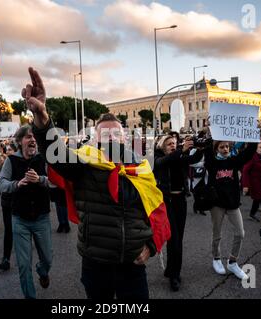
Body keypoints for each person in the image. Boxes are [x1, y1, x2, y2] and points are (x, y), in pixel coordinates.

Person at [23, 67, 170, 299]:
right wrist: (42, 117)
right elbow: (56, 155)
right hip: (96, 264)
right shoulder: (84, 163)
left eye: (116, 134)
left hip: (132, 265)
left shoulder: (141, 170)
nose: (111, 138)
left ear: (124, 138)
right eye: (104, 134)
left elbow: (157, 211)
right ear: (94, 140)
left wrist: (151, 246)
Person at [0, 126, 52, 298]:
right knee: (23, 265)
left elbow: (56, 182)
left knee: (48, 260)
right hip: (20, 219)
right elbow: (1, 183)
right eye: (29, 137)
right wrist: (16, 184)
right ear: (20, 142)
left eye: (34, 137)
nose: (33, 140)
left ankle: (42, 271)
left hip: (42, 217)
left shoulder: (43, 158)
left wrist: (40, 179)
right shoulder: (11, 160)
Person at [153, 134, 203, 291]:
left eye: (174, 143)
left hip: (180, 201)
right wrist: (182, 149)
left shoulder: (180, 156)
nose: (173, 146)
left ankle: (171, 269)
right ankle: (174, 275)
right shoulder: (158, 158)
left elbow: (193, 160)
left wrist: (200, 149)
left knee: (177, 238)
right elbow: (165, 161)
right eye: (169, 144)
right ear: (162, 146)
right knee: (173, 238)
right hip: (166, 202)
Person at [203, 138, 256, 280]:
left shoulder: (234, 161)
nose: (225, 149)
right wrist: (210, 132)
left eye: (227, 146)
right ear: (216, 149)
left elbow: (249, 153)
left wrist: (254, 134)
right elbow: (207, 150)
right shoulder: (212, 162)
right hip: (217, 204)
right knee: (217, 234)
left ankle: (232, 261)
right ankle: (216, 258)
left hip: (232, 204)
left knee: (240, 233)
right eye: (222, 147)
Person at [0, 143, 18, 272]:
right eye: (7, 150)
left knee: (22, 229)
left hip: (19, 201)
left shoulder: (20, 164)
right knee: (8, 230)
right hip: (6, 201)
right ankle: (6, 259)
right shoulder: (4, 163)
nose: (8, 152)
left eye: (10, 150)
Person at [242, 141, 261, 224]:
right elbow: (245, 171)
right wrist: (245, 185)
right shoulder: (252, 158)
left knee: (257, 199)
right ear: (256, 149)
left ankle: (252, 213)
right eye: (260, 147)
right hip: (255, 183)